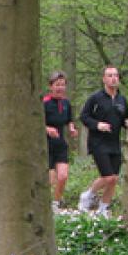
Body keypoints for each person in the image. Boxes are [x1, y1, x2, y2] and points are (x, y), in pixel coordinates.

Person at [78, 65, 128, 218]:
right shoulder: (95, 98)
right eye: (110, 75)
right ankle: (88, 195)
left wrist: (127, 124)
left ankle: (103, 208)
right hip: (98, 142)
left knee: (114, 179)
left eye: (116, 75)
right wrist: (98, 125)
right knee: (108, 177)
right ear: (104, 79)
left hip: (114, 142)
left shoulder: (122, 100)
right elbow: (84, 116)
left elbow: (124, 118)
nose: (113, 78)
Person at [44, 71, 78, 211]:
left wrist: (71, 128)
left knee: (63, 176)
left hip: (61, 144)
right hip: (46, 145)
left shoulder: (66, 103)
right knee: (50, 179)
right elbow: (35, 123)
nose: (60, 88)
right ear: (50, 86)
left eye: (63, 85)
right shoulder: (44, 103)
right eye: (57, 85)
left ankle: (55, 203)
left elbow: (69, 120)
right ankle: (44, 203)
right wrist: (47, 129)